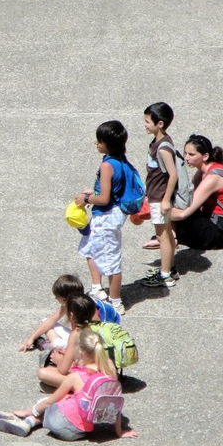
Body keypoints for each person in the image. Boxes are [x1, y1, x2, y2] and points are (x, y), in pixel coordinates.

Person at [0, 330, 139, 441]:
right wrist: (119, 432)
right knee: (74, 398)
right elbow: (114, 403)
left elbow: (51, 401)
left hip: (62, 426)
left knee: (56, 401)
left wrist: (30, 410)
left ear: (81, 352)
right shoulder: (110, 371)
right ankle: (28, 422)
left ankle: (28, 421)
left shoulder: (75, 377)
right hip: (84, 430)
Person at [72, 121, 131, 310]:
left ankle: (115, 303)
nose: (95, 143)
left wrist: (86, 198)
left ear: (108, 144)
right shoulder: (120, 160)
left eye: (99, 141)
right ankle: (97, 287)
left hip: (107, 217)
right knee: (90, 247)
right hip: (109, 215)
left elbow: (104, 198)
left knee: (112, 260)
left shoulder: (107, 165)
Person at [171, 135, 223, 249]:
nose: (186, 158)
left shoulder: (212, 178)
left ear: (205, 156)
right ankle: (172, 235)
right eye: (185, 153)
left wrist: (156, 211)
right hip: (221, 225)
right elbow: (187, 197)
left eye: (191, 154)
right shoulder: (207, 170)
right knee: (174, 200)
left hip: (220, 234)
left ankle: (170, 236)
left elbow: (184, 213)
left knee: (173, 207)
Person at [18, 275, 118, 355]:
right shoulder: (76, 302)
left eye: (57, 297)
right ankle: (52, 346)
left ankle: (48, 346)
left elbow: (93, 337)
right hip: (80, 335)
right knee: (45, 321)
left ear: (66, 300)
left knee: (58, 344)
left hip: (93, 342)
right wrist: (32, 338)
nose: (55, 299)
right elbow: (52, 320)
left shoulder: (86, 309)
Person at [140, 103, 180, 287]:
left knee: (162, 236)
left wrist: (165, 200)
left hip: (159, 198)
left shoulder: (163, 148)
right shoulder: (158, 143)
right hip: (157, 196)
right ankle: (170, 268)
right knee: (167, 234)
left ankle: (165, 275)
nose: (145, 124)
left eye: (148, 121)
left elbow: (173, 175)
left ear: (160, 124)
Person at [37, 293, 113, 389]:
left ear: (71, 315)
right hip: (107, 375)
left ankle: (82, 388)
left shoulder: (76, 334)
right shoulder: (99, 327)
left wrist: (58, 360)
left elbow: (63, 370)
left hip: (92, 381)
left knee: (43, 373)